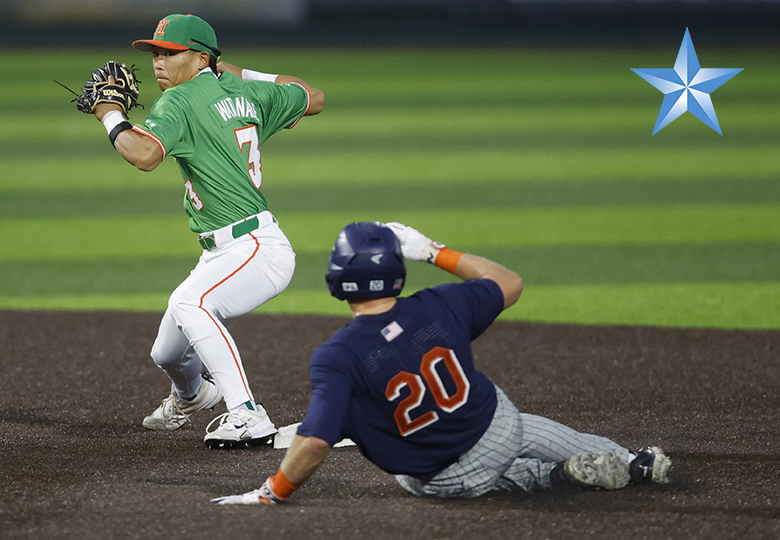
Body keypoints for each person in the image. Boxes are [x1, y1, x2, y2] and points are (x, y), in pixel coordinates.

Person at [211, 221, 671, 504]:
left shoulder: (338, 356)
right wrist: (433, 251)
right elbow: (508, 282)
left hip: (440, 481)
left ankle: (553, 477)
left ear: (339, 280)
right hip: (498, 429)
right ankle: (632, 462)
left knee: (432, 477)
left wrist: (274, 492)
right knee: (519, 427)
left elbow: (313, 443)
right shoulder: (439, 305)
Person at [88, 13, 325, 448]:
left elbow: (142, 154)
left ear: (199, 57)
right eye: (155, 53)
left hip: (254, 247)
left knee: (191, 302)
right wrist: (233, 71)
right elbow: (313, 96)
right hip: (230, 250)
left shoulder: (178, 102)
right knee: (168, 352)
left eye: (170, 53)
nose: (158, 62)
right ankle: (195, 394)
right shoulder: (245, 91)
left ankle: (247, 413)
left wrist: (108, 113)